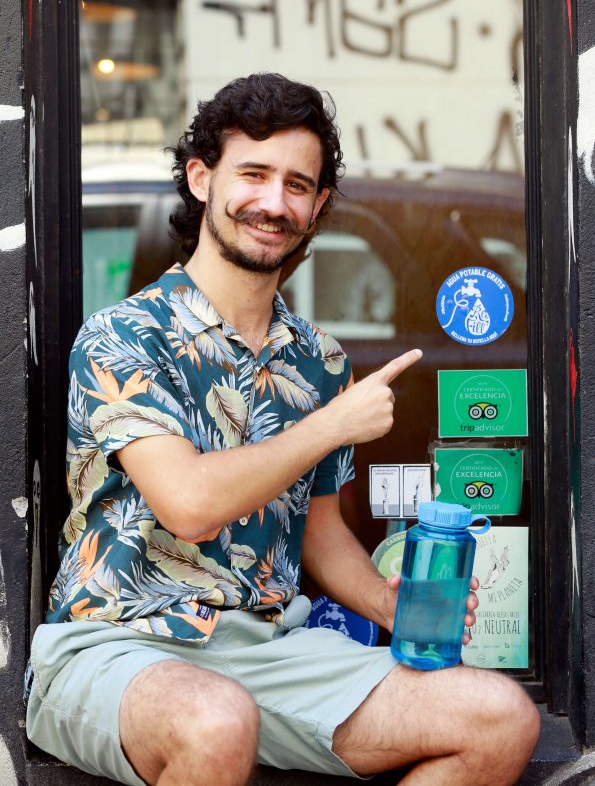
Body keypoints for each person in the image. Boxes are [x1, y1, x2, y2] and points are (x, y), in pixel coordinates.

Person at [26, 73, 539, 785]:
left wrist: (384, 600)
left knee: (498, 717)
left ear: (319, 204)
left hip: (269, 649)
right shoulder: (125, 336)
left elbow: (320, 532)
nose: (274, 202)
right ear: (202, 179)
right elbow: (190, 505)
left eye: (298, 185)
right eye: (254, 174)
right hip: (115, 645)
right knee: (216, 719)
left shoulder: (319, 359)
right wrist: (329, 425)